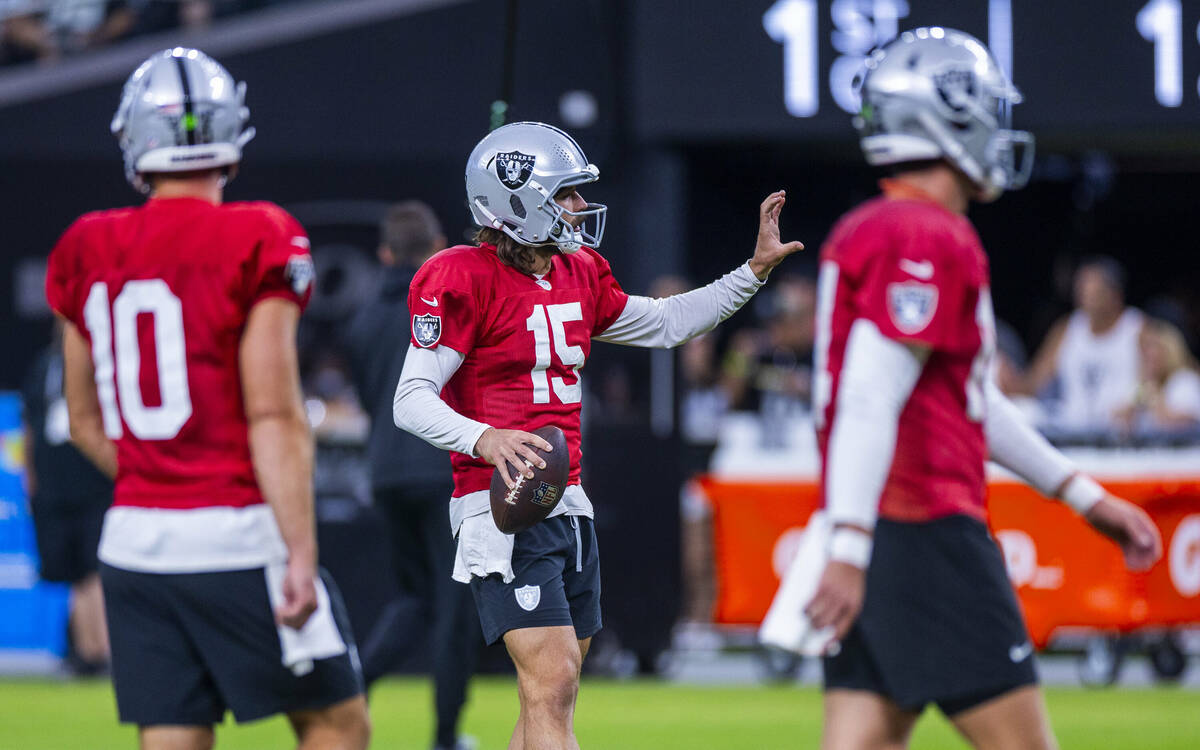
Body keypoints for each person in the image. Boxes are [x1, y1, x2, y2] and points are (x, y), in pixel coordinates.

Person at [804, 28, 1162, 750]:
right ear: (945, 118)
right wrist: (850, 543)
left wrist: (1083, 496)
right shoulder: (923, 232)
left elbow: (969, 403)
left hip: (881, 525)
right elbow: (871, 393)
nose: (997, 129)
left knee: (864, 740)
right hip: (925, 528)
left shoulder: (882, 226)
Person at [393, 121, 803, 750]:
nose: (581, 206)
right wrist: (487, 438)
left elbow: (664, 322)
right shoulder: (459, 275)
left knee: (550, 693)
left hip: (568, 500)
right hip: (502, 504)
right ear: (517, 201)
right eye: (565, 194)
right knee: (553, 681)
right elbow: (411, 400)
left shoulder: (578, 270)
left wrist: (751, 273)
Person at [44, 48, 369, 750]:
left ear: (136, 137)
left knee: (172, 737)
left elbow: (83, 419)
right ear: (231, 132)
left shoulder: (84, 245)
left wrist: (155, 481)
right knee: (338, 724)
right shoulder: (260, 233)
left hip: (134, 543)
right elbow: (273, 411)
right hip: (237, 533)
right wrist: (301, 551)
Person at [344, 201, 483, 750]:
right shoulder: (451, 303)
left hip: (386, 473)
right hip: (445, 467)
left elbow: (368, 400)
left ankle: (349, 688)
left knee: (413, 599)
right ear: (438, 247)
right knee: (453, 607)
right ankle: (446, 736)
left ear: (384, 253)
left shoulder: (362, 321)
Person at [22, 320, 113, 674]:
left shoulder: (101, 365)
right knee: (75, 574)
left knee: (95, 571)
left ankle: (103, 651)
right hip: (55, 490)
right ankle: (87, 652)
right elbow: (30, 427)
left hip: (93, 487)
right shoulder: (43, 367)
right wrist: (31, 479)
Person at [1023, 257, 1144, 434]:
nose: (1086, 298)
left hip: (1121, 432)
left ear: (1115, 294)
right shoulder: (1067, 329)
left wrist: (1134, 403)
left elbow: (1154, 382)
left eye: (1095, 292)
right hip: (1072, 430)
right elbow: (1036, 382)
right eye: (1082, 291)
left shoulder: (1138, 328)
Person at [1114, 318, 1200, 436]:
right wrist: (1130, 410)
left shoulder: (1184, 380)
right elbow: (1116, 421)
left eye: (1152, 347)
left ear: (1169, 350)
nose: (1145, 355)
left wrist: (1155, 398)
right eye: (1142, 348)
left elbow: (1182, 425)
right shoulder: (1141, 384)